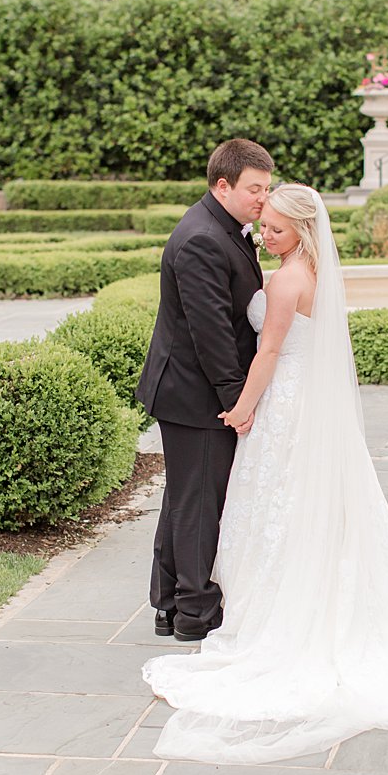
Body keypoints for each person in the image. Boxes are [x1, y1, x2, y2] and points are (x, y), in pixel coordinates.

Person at [143, 183, 388, 764]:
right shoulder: (319, 273)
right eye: (263, 224)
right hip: (311, 405)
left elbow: (270, 354)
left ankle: (276, 614)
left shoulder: (284, 279)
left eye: (275, 227)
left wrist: (242, 407)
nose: (263, 233)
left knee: (270, 506)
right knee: (300, 505)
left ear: (302, 230)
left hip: (282, 402)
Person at [135, 138, 275, 643]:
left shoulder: (225, 228)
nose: (264, 198)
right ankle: (194, 611)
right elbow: (211, 332)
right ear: (223, 185)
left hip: (193, 390)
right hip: (194, 394)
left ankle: (169, 602)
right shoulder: (200, 239)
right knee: (198, 502)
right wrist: (238, 402)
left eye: (267, 188)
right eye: (255, 189)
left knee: (185, 496)